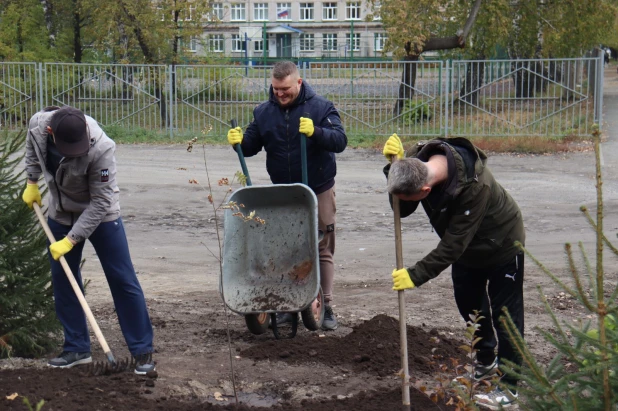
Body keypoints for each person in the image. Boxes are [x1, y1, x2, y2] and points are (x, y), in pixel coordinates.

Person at [383, 134, 525, 409]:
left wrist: (415, 275)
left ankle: (509, 389)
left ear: (425, 190)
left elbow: (451, 247)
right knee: (470, 306)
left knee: (506, 316)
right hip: (467, 248)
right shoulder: (416, 161)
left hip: (503, 245)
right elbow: (402, 207)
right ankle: (485, 363)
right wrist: (392, 167)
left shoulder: (475, 186)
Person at [22, 106, 155, 374]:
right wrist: (32, 181)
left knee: (122, 278)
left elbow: (101, 202)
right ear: (51, 133)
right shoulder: (38, 126)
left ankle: (142, 351)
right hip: (61, 212)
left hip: (101, 215)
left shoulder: (102, 147)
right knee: (64, 280)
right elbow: (32, 150)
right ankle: (76, 348)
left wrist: (71, 240)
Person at [227, 60, 347, 331]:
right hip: (283, 193)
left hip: (318, 188)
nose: (280, 94)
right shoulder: (263, 112)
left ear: (299, 82)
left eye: (286, 89)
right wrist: (238, 142)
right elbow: (250, 147)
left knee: (321, 247)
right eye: (276, 88)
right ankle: (289, 304)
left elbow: (340, 140)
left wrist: (316, 132)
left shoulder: (321, 107)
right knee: (285, 248)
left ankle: (324, 304)